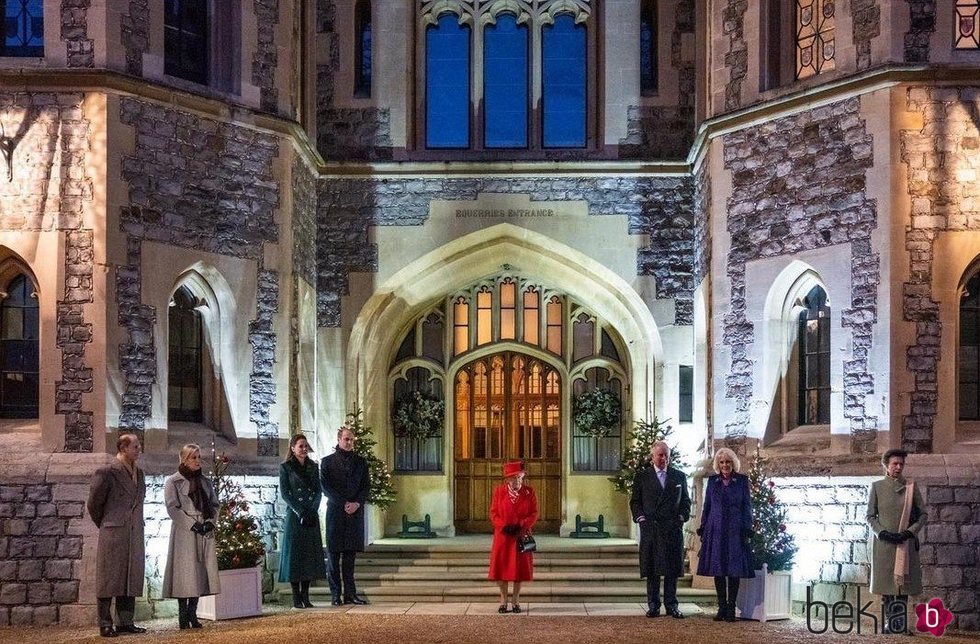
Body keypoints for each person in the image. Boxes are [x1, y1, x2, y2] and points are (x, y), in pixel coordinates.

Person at [86, 432, 147, 638]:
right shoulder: (106, 472)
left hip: (134, 532)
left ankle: (126, 621)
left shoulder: (139, 473)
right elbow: (94, 504)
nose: (139, 450)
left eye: (138, 446)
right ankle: (105, 623)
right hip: (113, 531)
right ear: (123, 449)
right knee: (109, 578)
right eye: (135, 447)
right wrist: (106, 524)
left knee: (130, 576)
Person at [866, 448, 926, 635]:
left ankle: (901, 625)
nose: (898, 467)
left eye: (901, 464)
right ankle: (889, 624)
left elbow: (923, 515)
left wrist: (909, 532)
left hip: (905, 543)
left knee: (903, 585)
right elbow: (870, 516)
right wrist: (882, 533)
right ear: (886, 465)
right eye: (895, 464)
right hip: (884, 544)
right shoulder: (876, 487)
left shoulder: (911, 487)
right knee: (887, 585)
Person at [629, 440, 691, 619]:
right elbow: (635, 501)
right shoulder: (642, 477)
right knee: (653, 569)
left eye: (666, 455)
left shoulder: (679, 476)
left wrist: (681, 517)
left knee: (672, 569)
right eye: (660, 455)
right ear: (653, 457)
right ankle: (653, 605)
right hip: (652, 528)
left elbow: (686, 501)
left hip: (672, 528)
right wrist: (640, 518)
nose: (663, 458)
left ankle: (671, 605)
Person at [162, 444, 220, 629]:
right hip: (184, 531)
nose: (197, 461)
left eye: (198, 457)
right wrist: (191, 524)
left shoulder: (205, 482)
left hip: (204, 528)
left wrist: (210, 521)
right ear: (184, 459)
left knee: (199, 571)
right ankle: (182, 615)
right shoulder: (173, 481)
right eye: (193, 457)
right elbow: (172, 507)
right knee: (184, 573)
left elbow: (215, 504)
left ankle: (192, 614)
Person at [696, 447, 754, 622]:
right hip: (716, 529)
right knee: (718, 570)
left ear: (733, 463)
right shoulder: (713, 481)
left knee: (733, 570)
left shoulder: (742, 481)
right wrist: (703, 527)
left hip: (735, 530)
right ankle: (721, 607)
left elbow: (747, 507)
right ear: (718, 464)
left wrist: (746, 528)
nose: (725, 465)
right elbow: (707, 507)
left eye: (728, 462)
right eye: (722, 462)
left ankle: (731, 607)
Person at [320, 426, 371, 605]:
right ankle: (335, 595)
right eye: (346, 439)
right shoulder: (327, 462)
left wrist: (357, 503)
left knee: (349, 557)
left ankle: (350, 594)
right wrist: (344, 503)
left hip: (354, 513)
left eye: (351, 439)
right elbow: (326, 487)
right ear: (339, 439)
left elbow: (366, 486)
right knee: (333, 556)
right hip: (336, 512)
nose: (349, 442)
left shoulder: (361, 462)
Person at [279, 433, 327, 608]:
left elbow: (318, 490)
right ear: (293, 448)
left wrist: (312, 510)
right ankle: (296, 596)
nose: (304, 449)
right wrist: (300, 511)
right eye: (301, 446)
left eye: (306, 446)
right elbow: (285, 493)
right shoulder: (285, 467)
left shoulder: (313, 467)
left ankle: (306, 596)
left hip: (310, 515)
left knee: (308, 555)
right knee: (295, 555)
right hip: (295, 515)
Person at [488, 460, 539, 614]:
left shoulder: (529, 492)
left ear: (522, 477)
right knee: (501, 568)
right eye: (513, 477)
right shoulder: (499, 492)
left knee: (520, 570)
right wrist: (504, 526)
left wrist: (522, 525)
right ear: (507, 479)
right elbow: (493, 513)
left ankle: (516, 600)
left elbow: (534, 513)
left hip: (521, 536)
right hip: (503, 537)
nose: (517, 480)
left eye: (519, 477)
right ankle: (503, 600)